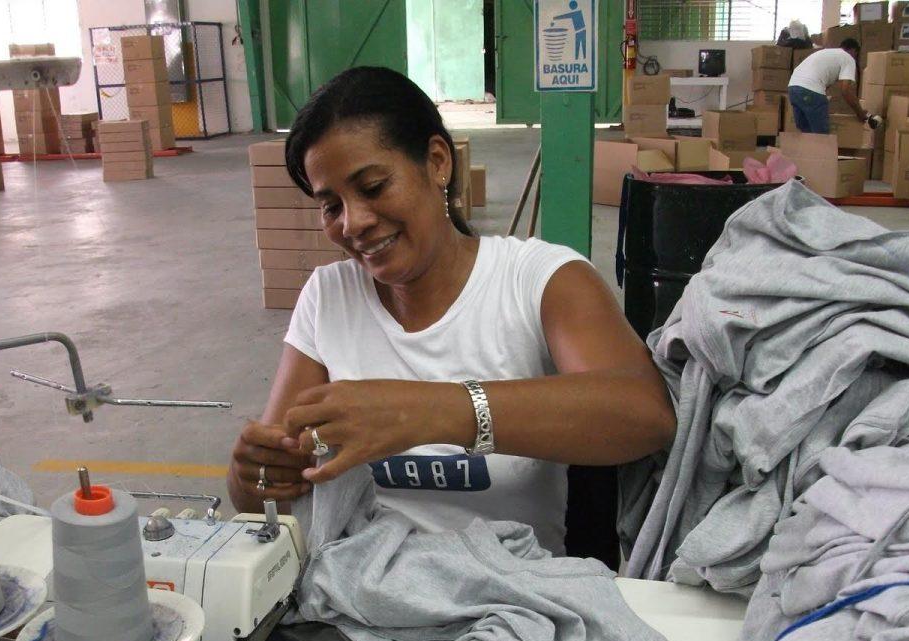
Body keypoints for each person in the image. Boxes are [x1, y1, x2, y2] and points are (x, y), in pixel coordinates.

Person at [226, 66, 675, 557]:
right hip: (363, 592)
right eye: (331, 206)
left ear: (437, 162)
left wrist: (427, 412)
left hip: (509, 598)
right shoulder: (328, 296)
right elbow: (265, 498)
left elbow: (644, 413)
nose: (354, 223)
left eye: (373, 187)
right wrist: (254, 472)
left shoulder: (539, 280)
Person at [787, 38, 871, 134]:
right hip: (810, 90)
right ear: (854, 50)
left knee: (807, 132)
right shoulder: (848, 58)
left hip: (793, 88)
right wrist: (860, 113)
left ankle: (807, 149)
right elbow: (845, 91)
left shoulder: (827, 53)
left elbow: (823, 82)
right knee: (821, 136)